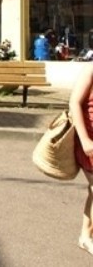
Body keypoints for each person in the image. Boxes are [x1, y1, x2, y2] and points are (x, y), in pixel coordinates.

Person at [69, 64, 93, 256]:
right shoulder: (91, 70)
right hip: (90, 142)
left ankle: (85, 236)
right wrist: (85, 140)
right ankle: (86, 237)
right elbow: (74, 103)